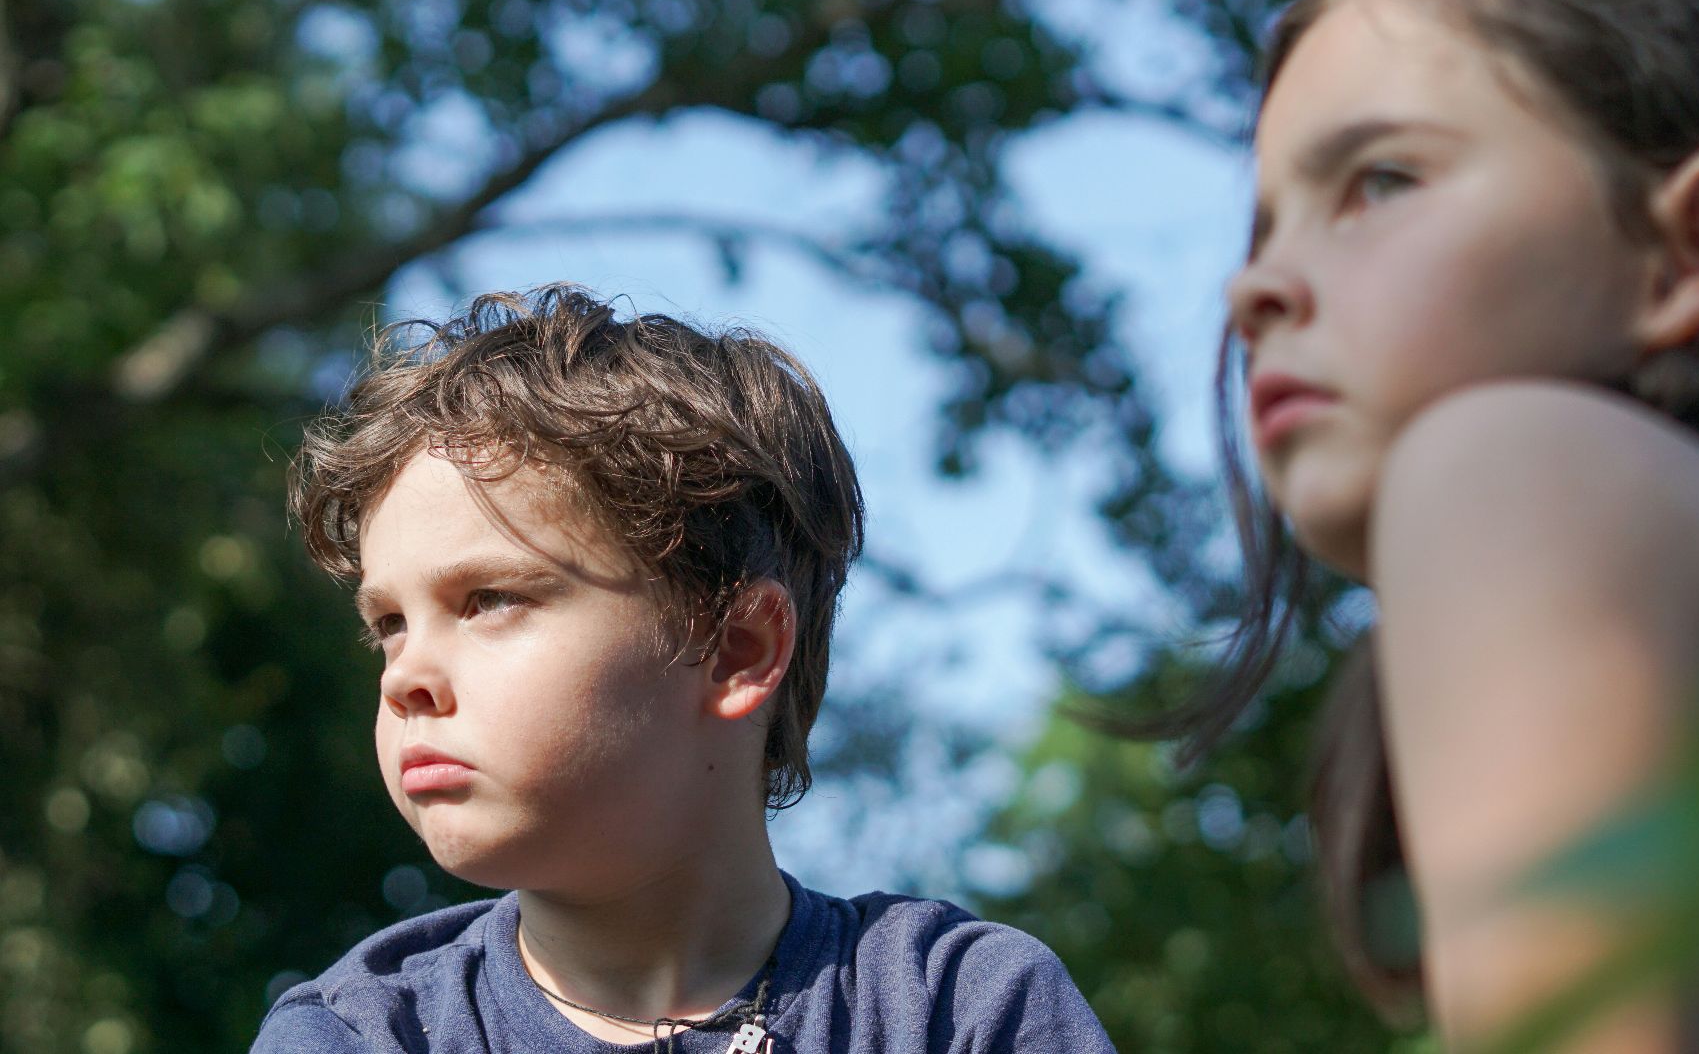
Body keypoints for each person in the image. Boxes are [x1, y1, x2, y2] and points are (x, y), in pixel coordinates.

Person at [1168, 0, 1699, 1049]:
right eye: (1265, 227)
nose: (1253, 290)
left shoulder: (1510, 470)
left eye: (1381, 180)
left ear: (1696, 244)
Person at [253, 285, 1115, 1053]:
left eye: (490, 600)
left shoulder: (958, 1010)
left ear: (737, 650)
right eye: (390, 625)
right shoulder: (357, 1034)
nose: (405, 678)